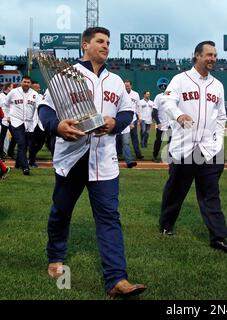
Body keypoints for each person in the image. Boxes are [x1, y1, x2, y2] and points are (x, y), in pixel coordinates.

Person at [38, 26, 146, 297]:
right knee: (61, 212)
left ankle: (117, 279)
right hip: (72, 156)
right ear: (85, 45)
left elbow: (127, 112)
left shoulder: (116, 81)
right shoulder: (66, 75)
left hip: (104, 158)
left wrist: (114, 122)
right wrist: (57, 126)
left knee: (109, 217)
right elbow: (45, 108)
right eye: (100, 41)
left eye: (108, 41)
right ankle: (55, 256)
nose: (106, 45)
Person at [159, 40, 227, 254]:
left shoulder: (217, 85)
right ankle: (166, 224)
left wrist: (218, 137)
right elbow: (166, 103)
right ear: (197, 56)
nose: (213, 58)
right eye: (209, 55)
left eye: (215, 55)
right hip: (184, 146)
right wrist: (178, 115)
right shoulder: (180, 79)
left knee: (210, 194)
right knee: (176, 191)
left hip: (209, 149)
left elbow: (221, 115)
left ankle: (219, 237)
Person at [3, 76, 37, 175]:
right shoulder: (13, 92)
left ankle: (18, 163)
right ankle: (25, 167)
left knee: (25, 144)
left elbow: (38, 108)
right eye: (24, 82)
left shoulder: (34, 94)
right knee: (22, 143)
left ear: (30, 84)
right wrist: (7, 116)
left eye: (28, 82)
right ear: (21, 82)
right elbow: (6, 104)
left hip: (29, 123)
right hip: (16, 121)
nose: (26, 84)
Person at [151, 77, 170, 162]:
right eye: (162, 86)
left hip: (170, 124)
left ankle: (169, 157)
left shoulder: (173, 96)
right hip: (161, 123)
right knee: (158, 141)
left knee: (170, 142)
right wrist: (158, 122)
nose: (163, 87)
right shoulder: (158, 97)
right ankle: (155, 156)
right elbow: (154, 111)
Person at [124, 80, 143, 160]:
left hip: (133, 119)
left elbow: (138, 106)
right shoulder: (122, 93)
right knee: (122, 137)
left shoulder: (135, 94)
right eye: (125, 86)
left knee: (134, 137)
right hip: (124, 119)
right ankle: (119, 153)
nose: (126, 87)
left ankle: (138, 154)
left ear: (131, 86)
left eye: (128, 86)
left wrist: (140, 117)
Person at [28, 81, 45, 168]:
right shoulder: (28, 97)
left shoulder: (41, 97)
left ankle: (32, 157)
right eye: (36, 88)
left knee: (41, 142)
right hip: (32, 123)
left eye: (39, 88)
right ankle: (31, 161)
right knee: (32, 143)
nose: (38, 89)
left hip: (41, 123)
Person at [0, 83, 14, 160]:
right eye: (11, 87)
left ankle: (10, 152)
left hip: (11, 119)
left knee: (15, 136)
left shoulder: (10, 96)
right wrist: (2, 117)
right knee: (2, 137)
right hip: (3, 119)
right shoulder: (1, 96)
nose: (13, 88)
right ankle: (1, 154)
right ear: (8, 88)